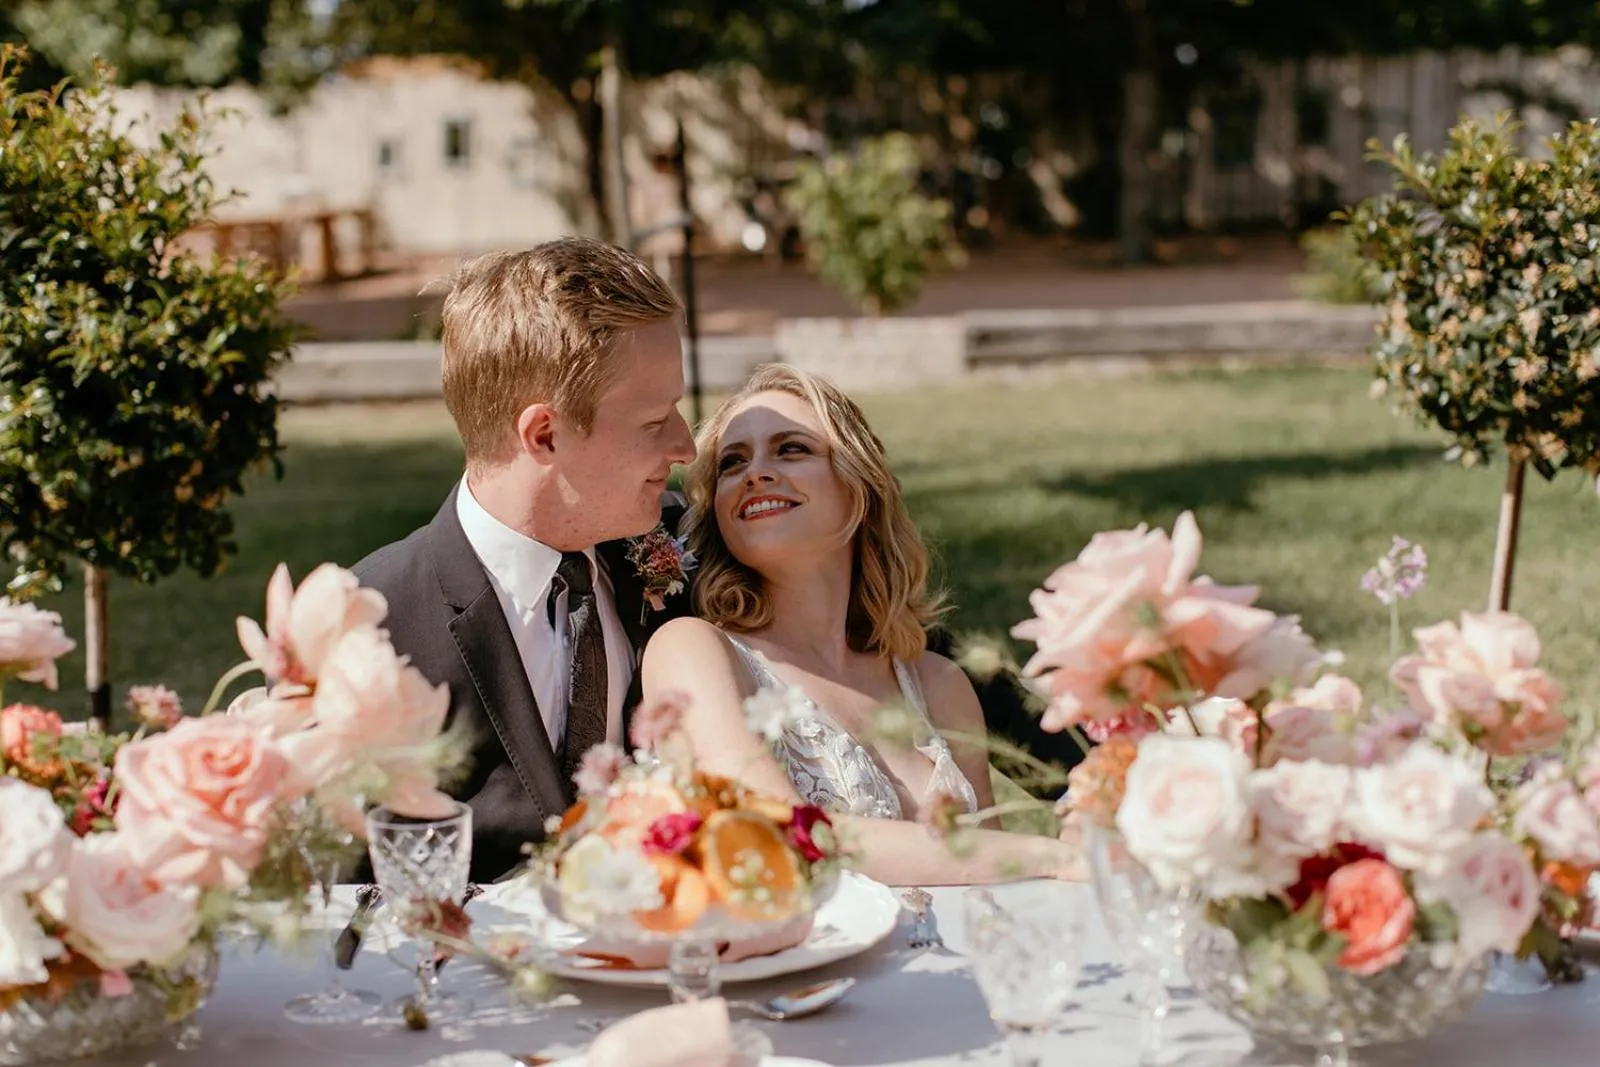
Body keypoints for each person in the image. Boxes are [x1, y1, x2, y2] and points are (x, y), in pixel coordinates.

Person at [641, 365, 1082, 886]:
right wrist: (1055, 858)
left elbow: (991, 886)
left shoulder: (939, 686)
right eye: (733, 464)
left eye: (791, 449)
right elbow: (774, 832)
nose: (755, 472)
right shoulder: (692, 652)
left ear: (860, 485)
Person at [353, 239, 697, 882]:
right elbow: (355, 902)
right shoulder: (374, 630)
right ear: (544, 435)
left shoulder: (686, 544)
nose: (688, 445)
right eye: (655, 422)